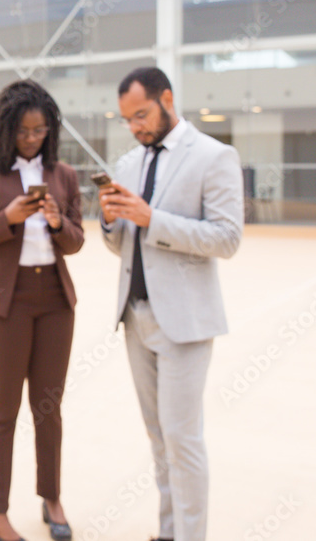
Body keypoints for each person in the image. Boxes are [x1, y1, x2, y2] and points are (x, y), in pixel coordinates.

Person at [98, 67, 242, 541]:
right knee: (159, 438)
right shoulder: (129, 163)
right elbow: (124, 246)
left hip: (185, 320)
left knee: (184, 439)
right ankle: (167, 531)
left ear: (167, 98)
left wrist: (150, 217)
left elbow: (227, 238)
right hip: (135, 317)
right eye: (128, 120)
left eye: (141, 114)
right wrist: (110, 221)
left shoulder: (214, 157)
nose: (136, 126)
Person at [0, 80, 84, 541]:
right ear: (7, 129)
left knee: (49, 408)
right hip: (4, 305)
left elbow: (76, 241)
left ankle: (51, 498)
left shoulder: (64, 175)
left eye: (40, 130)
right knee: (4, 408)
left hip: (55, 301)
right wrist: (8, 217)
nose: (33, 139)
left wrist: (56, 221)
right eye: (24, 131)